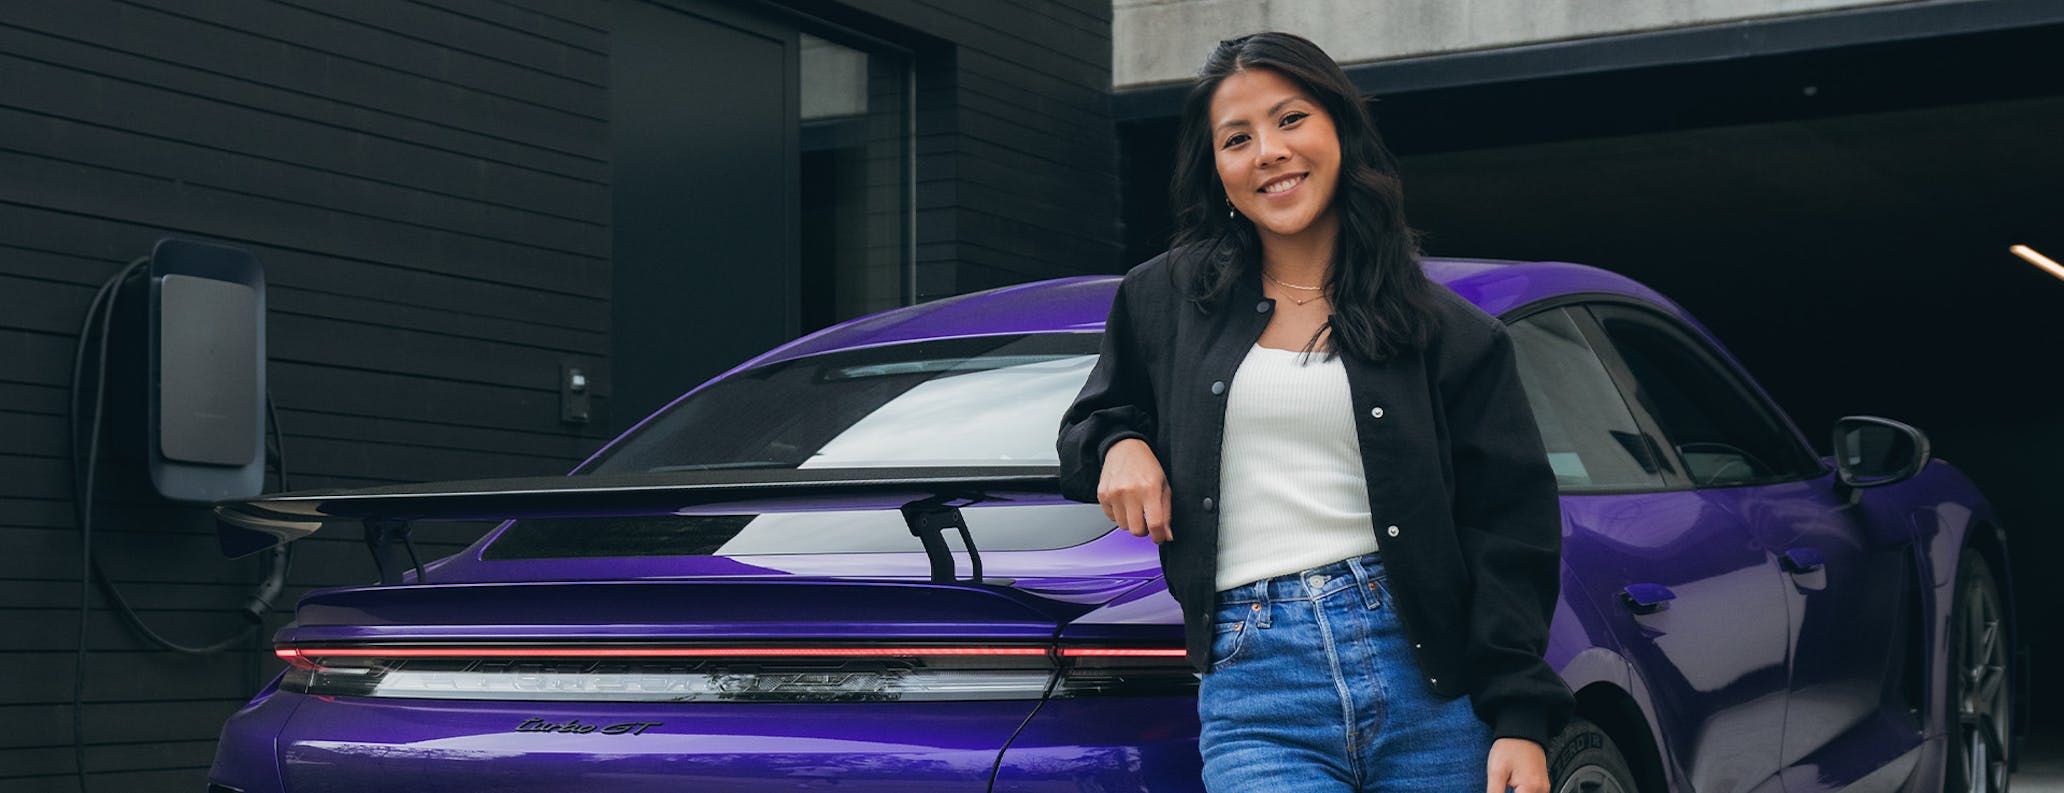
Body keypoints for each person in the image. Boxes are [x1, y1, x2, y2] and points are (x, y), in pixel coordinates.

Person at [1056, 32, 1573, 793]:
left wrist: (1521, 720)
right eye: (1238, 138)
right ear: (1218, 169)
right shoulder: (1162, 299)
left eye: (1290, 119)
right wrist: (1121, 442)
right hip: (1257, 682)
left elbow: (1510, 531)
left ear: (1338, 130)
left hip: (1428, 679)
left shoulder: (1449, 333)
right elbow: (1088, 424)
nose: (1268, 151)